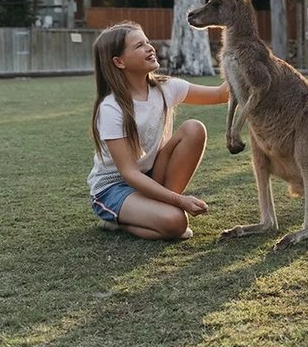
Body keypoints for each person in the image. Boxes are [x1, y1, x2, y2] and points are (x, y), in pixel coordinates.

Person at [88, 21, 229, 240]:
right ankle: (117, 219)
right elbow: (130, 173)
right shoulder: (111, 108)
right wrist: (179, 201)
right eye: (139, 46)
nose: (150, 47)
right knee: (176, 223)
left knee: (194, 129)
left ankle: (158, 210)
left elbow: (222, 94)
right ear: (119, 62)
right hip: (114, 188)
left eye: (147, 42)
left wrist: (244, 56)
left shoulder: (166, 88)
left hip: (151, 176)